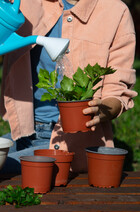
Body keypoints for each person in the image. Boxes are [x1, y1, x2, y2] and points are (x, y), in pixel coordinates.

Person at [0, 0, 137, 173]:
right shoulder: (27, 3)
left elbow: (118, 90)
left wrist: (103, 108)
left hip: (68, 143)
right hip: (24, 132)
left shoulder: (114, 12)